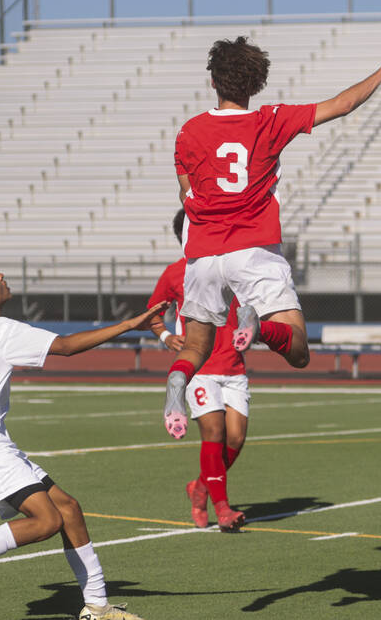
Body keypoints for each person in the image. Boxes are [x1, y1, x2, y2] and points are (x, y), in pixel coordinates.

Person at [161, 36, 381, 439]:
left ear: (213, 82)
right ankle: (259, 329)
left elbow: (184, 191)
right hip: (254, 249)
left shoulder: (188, 132)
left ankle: (177, 382)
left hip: (204, 255)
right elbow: (343, 105)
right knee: (297, 350)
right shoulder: (270, 120)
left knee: (196, 347)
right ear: (256, 83)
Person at [0, 256, 163, 618]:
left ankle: (97, 607)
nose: (1, 277)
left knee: (68, 509)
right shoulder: (0, 329)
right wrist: (132, 324)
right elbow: (67, 347)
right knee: (47, 522)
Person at [150, 210, 250, 532]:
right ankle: (222, 509)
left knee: (235, 438)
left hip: (234, 367)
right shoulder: (176, 273)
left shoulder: (235, 269)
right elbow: (152, 314)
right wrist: (167, 336)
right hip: (200, 368)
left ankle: (200, 487)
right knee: (214, 433)